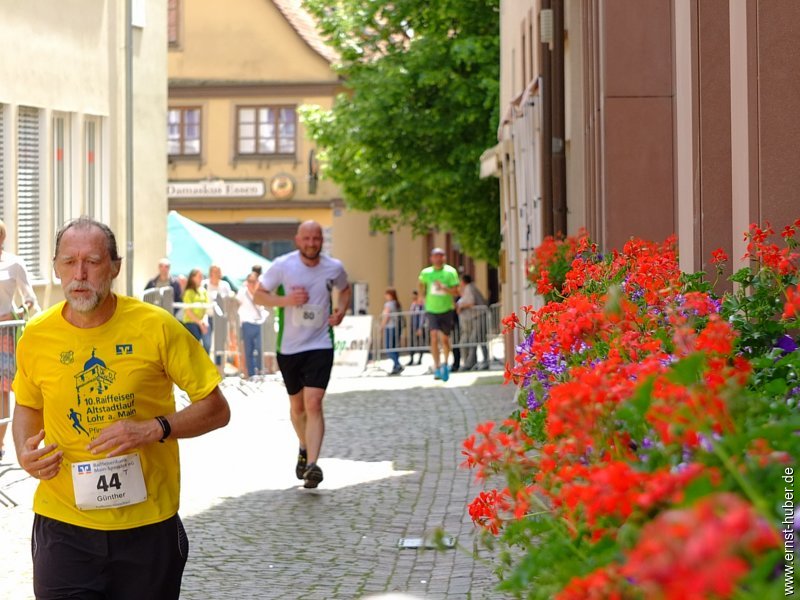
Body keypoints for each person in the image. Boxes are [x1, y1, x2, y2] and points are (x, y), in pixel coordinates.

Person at [11, 216, 230, 599]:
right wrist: (25, 452)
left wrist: (154, 428)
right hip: (64, 524)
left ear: (114, 267)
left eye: (93, 261)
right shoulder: (36, 335)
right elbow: (27, 405)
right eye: (68, 261)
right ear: (56, 268)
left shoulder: (156, 326)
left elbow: (216, 408)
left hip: (147, 525)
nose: (80, 273)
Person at [254, 220, 350, 489]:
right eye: (306, 239)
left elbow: (345, 289)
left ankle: (312, 466)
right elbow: (259, 296)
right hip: (290, 348)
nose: (311, 243)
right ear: (298, 240)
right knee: (297, 407)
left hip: (320, 344)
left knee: (314, 403)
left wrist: (341, 311)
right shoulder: (283, 265)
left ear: (322, 241)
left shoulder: (334, 267)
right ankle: (304, 446)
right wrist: (286, 301)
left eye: (316, 239)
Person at [0, 220, 39, 463]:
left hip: (5, 333)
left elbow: (30, 300)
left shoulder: (14, 264)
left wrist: (14, 315)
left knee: (2, 390)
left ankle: (0, 443)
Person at [418, 247, 459, 382]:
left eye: (440, 256)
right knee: (434, 336)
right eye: (435, 256)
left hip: (446, 309)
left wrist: (444, 288)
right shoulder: (426, 273)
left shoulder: (450, 272)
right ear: (431, 258)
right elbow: (421, 285)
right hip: (431, 309)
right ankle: (436, 367)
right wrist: (422, 297)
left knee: (445, 340)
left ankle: (445, 363)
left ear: (444, 258)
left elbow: (455, 291)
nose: (437, 258)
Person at [237, 271, 268, 378]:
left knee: (260, 347)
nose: (252, 283)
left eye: (254, 281)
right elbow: (236, 304)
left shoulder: (260, 292)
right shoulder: (242, 292)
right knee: (248, 349)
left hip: (259, 322)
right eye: (250, 281)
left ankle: (259, 370)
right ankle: (251, 374)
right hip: (247, 322)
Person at [457, 273, 490, 371]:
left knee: (476, 339)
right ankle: (478, 362)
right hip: (478, 316)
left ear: (463, 281)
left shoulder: (469, 288)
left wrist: (461, 306)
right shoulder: (470, 287)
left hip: (479, 315)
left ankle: (474, 362)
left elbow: (471, 302)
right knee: (479, 339)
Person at [203, 264, 234, 366]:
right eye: (214, 271)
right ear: (210, 273)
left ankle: (218, 366)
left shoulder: (225, 285)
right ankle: (206, 364)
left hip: (221, 318)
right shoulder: (205, 284)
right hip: (208, 317)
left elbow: (230, 300)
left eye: (218, 271)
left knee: (220, 343)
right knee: (207, 342)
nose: (216, 274)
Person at [182, 268, 211, 353]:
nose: (201, 278)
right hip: (191, 323)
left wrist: (204, 321)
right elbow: (188, 311)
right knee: (196, 345)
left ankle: (205, 364)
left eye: (202, 276)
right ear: (192, 278)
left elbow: (206, 309)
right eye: (199, 276)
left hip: (202, 322)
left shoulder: (203, 291)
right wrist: (199, 323)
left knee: (207, 344)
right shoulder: (188, 292)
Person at [380, 288, 404, 375]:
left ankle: (397, 364)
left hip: (390, 327)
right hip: (396, 328)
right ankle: (395, 366)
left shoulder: (389, 304)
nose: (384, 296)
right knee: (394, 347)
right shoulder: (397, 304)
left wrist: (382, 326)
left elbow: (386, 316)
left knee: (389, 348)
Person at [407, 290, 426, 366]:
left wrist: (420, 328)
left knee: (421, 343)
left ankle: (420, 359)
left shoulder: (422, 306)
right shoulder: (413, 305)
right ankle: (411, 359)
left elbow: (422, 317)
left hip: (419, 327)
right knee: (412, 343)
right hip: (413, 326)